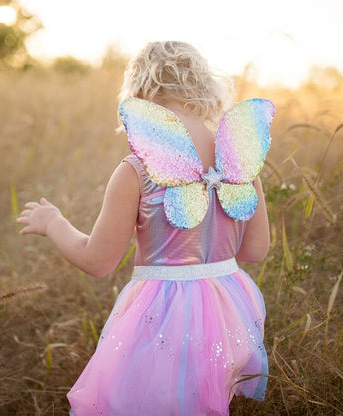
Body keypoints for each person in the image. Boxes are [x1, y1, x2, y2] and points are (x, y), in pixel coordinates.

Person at [17, 41, 272, 416]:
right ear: (204, 87)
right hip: (226, 310)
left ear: (139, 91)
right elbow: (255, 251)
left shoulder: (137, 168)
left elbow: (99, 261)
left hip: (161, 314)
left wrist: (53, 223)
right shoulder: (240, 164)